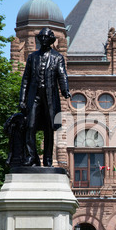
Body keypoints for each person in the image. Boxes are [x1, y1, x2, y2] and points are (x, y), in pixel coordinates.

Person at [19, 27, 71, 167]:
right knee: (30, 126)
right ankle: (31, 157)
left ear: (51, 40)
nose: (42, 40)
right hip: (34, 97)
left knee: (49, 128)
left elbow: (62, 75)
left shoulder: (57, 57)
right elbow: (25, 80)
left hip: (49, 98)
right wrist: (22, 99)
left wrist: (65, 91)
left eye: (45, 37)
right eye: (40, 37)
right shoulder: (32, 57)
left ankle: (48, 159)